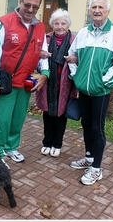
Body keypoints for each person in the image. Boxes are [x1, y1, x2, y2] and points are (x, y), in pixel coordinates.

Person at [0, 0, 50, 169]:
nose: (30, 10)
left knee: (18, 118)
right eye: (27, 5)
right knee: (2, 120)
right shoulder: (4, 23)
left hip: (26, 82)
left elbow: (41, 52)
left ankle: (10, 147)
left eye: (35, 7)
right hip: (6, 82)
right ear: (20, 2)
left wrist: (45, 74)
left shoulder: (40, 27)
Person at [67, 0, 113, 185]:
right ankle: (89, 157)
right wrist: (76, 77)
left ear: (108, 11)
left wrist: (104, 82)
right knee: (85, 125)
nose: (97, 10)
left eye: (101, 7)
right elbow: (71, 55)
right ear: (90, 10)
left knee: (97, 128)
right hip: (84, 90)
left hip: (100, 91)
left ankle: (96, 168)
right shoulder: (84, 32)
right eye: (93, 7)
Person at [35, 9, 77, 157]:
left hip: (65, 83)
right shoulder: (45, 39)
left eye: (63, 23)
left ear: (68, 25)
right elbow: (35, 58)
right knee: (47, 114)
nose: (60, 26)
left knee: (60, 116)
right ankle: (47, 142)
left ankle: (57, 144)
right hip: (48, 83)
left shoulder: (74, 40)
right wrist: (39, 54)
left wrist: (76, 59)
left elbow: (80, 59)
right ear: (52, 25)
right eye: (57, 23)